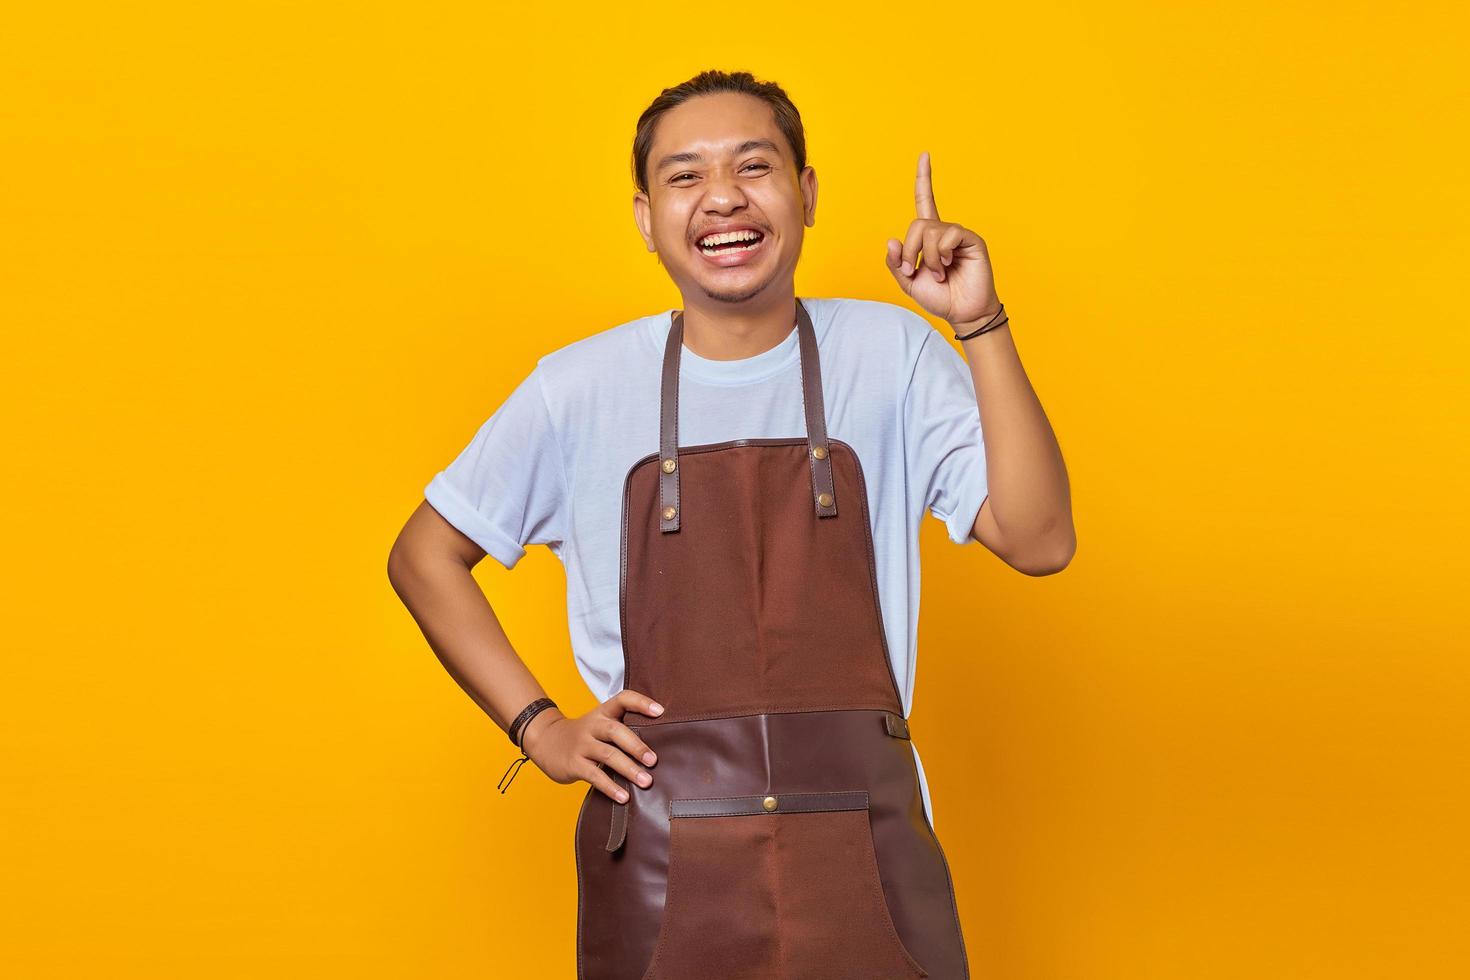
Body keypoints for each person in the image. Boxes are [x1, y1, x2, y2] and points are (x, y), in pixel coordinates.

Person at [388, 69, 1074, 980]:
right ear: (645, 218)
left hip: (865, 852)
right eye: (685, 177)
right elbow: (423, 555)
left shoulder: (894, 353)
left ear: (807, 193)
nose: (722, 198)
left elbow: (1040, 541)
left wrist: (978, 322)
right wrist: (541, 727)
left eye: (754, 166)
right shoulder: (577, 389)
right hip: (664, 866)